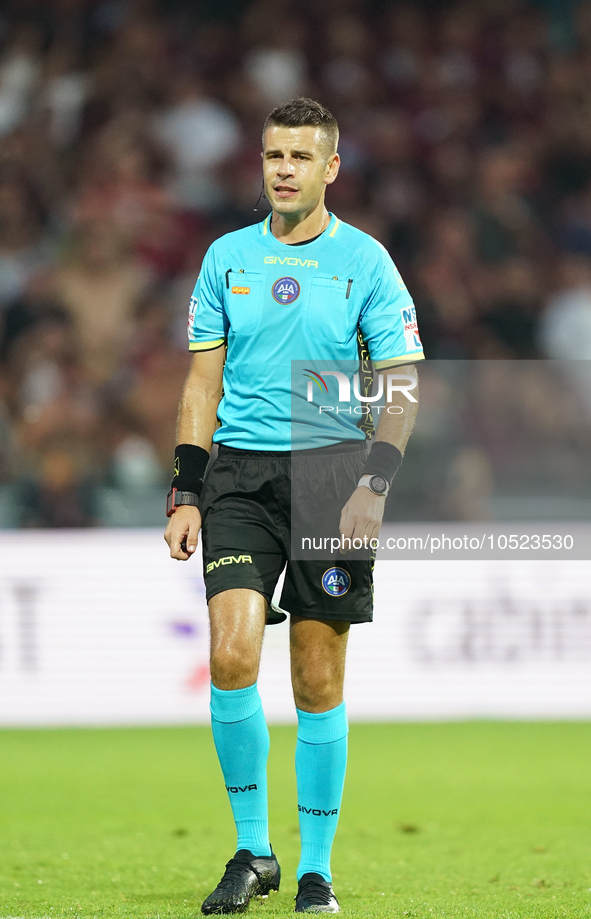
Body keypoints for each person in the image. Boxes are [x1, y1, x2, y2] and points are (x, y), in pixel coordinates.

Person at [164, 97, 423, 915]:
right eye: (274, 156)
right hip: (239, 474)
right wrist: (185, 487)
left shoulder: (366, 262)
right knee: (232, 652)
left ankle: (315, 869)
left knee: (316, 677)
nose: (283, 170)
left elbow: (402, 384)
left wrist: (373, 483)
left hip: (329, 469)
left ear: (330, 168)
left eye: (300, 158)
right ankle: (252, 849)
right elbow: (202, 381)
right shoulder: (226, 259)